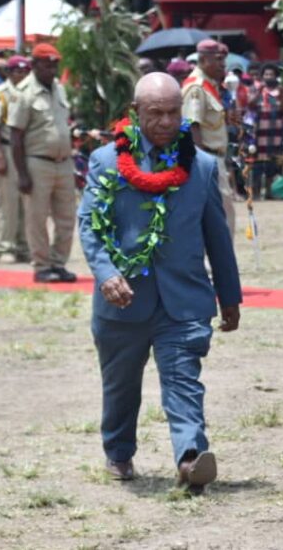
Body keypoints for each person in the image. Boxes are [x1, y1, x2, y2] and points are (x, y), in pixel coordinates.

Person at [78, 72, 241, 491]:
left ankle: (190, 458)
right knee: (120, 386)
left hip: (183, 301)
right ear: (135, 113)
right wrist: (107, 274)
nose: (167, 121)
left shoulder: (201, 167)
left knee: (184, 381)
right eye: (156, 113)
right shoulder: (106, 162)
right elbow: (90, 226)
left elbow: (217, 236)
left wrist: (230, 295)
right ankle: (118, 451)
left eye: (173, 112)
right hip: (122, 301)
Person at [9, 43, 78, 283]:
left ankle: (58, 263)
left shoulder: (59, 88)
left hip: (64, 162)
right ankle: (41, 265)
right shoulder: (24, 93)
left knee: (67, 216)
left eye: (54, 64)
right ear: (34, 65)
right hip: (37, 163)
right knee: (37, 218)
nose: (51, 69)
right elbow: (15, 137)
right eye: (46, 64)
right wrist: (22, 174)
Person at [182, 39, 235, 236]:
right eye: (218, 60)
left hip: (216, 157)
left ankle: (222, 260)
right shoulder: (197, 87)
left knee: (223, 211)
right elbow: (191, 126)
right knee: (221, 212)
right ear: (203, 60)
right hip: (206, 159)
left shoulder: (210, 86)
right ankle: (220, 261)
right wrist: (201, 164)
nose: (223, 65)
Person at [0, 55, 32, 263]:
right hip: (7, 148)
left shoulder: (31, 92)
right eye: (16, 71)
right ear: (8, 73)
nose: (21, 75)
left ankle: (23, 245)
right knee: (9, 202)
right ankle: (6, 247)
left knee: (27, 201)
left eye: (24, 71)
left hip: (28, 150)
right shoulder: (0, 94)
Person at [248, 64, 283, 200]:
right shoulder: (256, 89)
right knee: (257, 164)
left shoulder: (281, 91)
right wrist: (259, 92)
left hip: (276, 133)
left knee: (273, 163)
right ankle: (256, 192)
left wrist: (282, 98)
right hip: (259, 134)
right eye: (266, 74)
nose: (269, 77)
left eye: (271, 74)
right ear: (262, 76)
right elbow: (250, 105)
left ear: (276, 76)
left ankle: (270, 192)